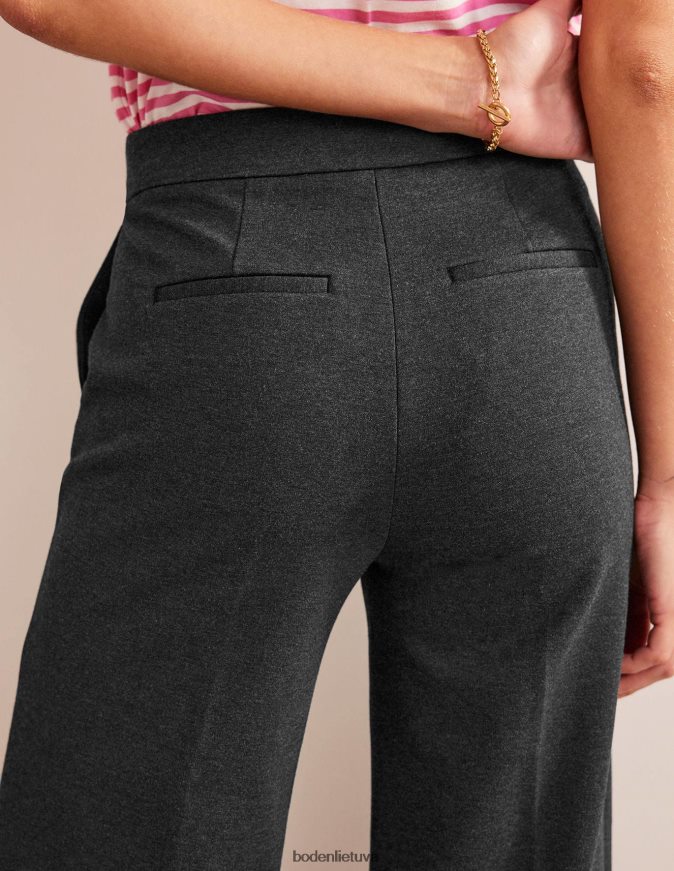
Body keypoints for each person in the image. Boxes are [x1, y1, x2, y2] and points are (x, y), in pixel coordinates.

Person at [0, 0, 672, 868]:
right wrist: (667, 479)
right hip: (526, 290)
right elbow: (646, 69)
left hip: (235, 279)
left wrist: (470, 83)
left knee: (124, 827)